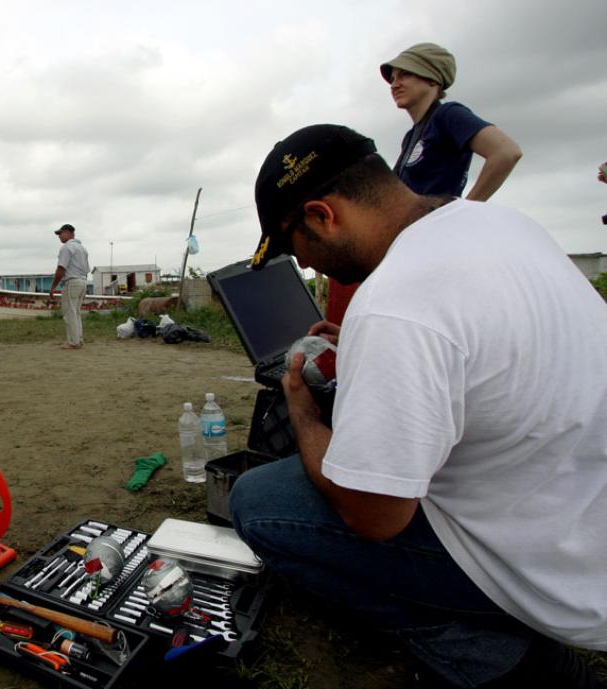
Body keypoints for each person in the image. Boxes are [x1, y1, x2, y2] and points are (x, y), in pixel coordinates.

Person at [230, 124, 607, 688]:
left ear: (322, 215)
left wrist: (303, 408)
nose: (308, 268)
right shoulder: (499, 223)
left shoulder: (396, 305)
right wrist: (366, 351)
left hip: (550, 569)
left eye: (295, 247)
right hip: (578, 506)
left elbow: (375, 518)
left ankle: (507, 661)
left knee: (257, 502)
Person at [327, 42, 523, 325]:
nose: (395, 83)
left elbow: (505, 152)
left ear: (432, 78)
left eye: (405, 75)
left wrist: (464, 210)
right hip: (411, 247)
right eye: (392, 78)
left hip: (436, 248)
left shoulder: (448, 115)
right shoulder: (411, 136)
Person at [48, 223, 90, 350]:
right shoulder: (82, 249)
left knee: (69, 313)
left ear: (68, 233)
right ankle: (78, 339)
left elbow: (61, 268)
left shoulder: (67, 248)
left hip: (72, 281)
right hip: (82, 281)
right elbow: (86, 269)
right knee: (76, 312)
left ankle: (73, 342)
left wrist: (53, 287)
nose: (59, 236)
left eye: (60, 233)